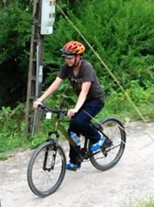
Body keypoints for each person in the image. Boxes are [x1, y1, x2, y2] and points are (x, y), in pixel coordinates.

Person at [33, 40, 107, 171]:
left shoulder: (86, 67)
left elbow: (84, 91)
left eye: (70, 58)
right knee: (72, 130)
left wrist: (76, 109)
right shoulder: (66, 68)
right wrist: (40, 99)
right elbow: (55, 85)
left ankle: (99, 138)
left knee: (79, 121)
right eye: (66, 58)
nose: (68, 60)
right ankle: (75, 161)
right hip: (83, 101)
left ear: (78, 57)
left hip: (95, 100)